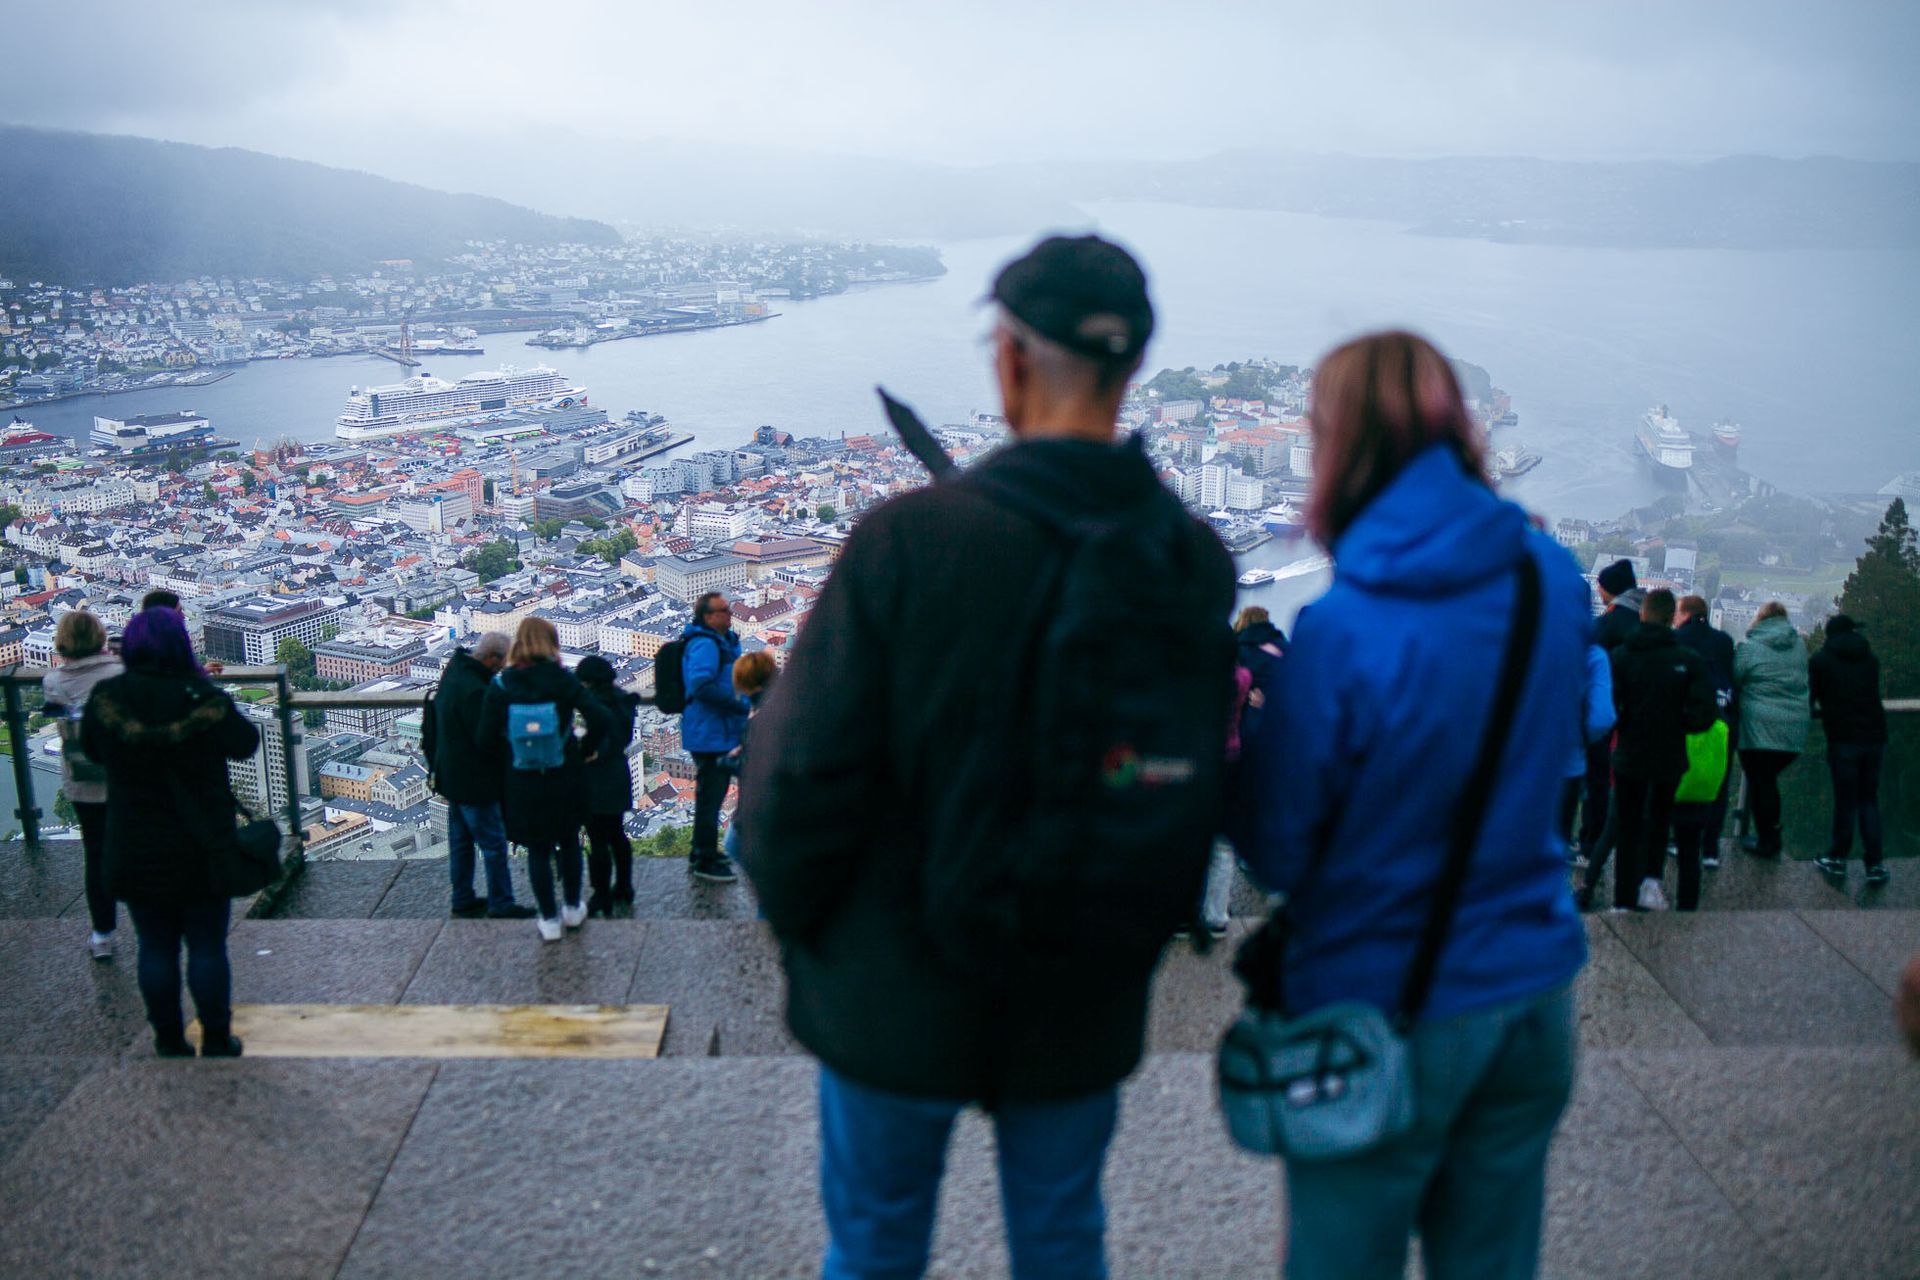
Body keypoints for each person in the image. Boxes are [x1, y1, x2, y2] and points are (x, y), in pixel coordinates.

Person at [741, 234, 1234, 1279]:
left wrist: (809, 934)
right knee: (1061, 1237)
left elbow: (795, 778)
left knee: (874, 1243)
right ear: (1133, 367)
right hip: (1084, 971)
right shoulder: (1186, 558)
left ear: (1009, 358)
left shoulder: (910, 540)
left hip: (891, 970)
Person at [1244, 330, 1588, 1280]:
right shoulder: (1550, 578)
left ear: (1335, 446)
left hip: (1382, 1000)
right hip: (1531, 988)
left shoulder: (1343, 627)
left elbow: (1281, 847)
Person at [80, 606, 258, 1058]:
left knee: (155, 946)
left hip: (135, 840)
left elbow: (91, 752)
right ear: (181, 646)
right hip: (202, 841)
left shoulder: (107, 697)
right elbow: (245, 744)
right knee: (207, 945)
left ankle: (168, 1038)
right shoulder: (201, 696)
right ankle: (216, 1037)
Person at [477, 617, 614, 941]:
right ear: (552, 641)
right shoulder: (562, 680)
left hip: (523, 780)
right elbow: (601, 717)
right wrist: (583, 749)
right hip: (564, 773)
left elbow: (484, 738)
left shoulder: (503, 685)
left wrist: (511, 753)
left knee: (538, 850)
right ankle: (572, 907)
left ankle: (549, 919)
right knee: (569, 841)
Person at [1607, 589, 1716, 912]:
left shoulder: (1622, 656)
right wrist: (1680, 724)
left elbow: (1610, 706)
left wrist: (1626, 724)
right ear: (1670, 618)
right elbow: (1704, 713)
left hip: (1630, 751)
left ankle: (1622, 899)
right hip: (1670, 752)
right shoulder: (1687, 659)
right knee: (1659, 819)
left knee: (1628, 825)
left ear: (1643, 614)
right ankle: (1651, 883)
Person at [422, 632, 534, 920]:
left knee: (460, 842)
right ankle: (501, 902)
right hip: (475, 781)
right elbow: (486, 739)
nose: (503, 668)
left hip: (450, 775)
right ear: (493, 658)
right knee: (493, 844)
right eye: (502, 662)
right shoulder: (476, 691)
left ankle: (462, 897)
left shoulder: (455, 670)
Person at [42, 610, 124, 960]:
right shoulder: (119, 673)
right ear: (99, 637)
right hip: (125, 778)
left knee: (95, 854)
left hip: (83, 780)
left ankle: (102, 934)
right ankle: (155, 922)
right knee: (139, 847)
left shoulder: (53, 682)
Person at [1809, 614, 1889, 884]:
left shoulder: (1820, 661)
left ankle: (1837, 857)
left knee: (1845, 801)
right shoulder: (1871, 660)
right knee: (1869, 800)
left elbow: (1811, 697)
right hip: (1875, 738)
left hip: (1843, 738)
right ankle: (1875, 864)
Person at [680, 591, 750, 883]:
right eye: (723, 611)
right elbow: (700, 685)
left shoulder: (721, 642)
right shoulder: (706, 644)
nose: (730, 614)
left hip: (716, 731)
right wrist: (738, 704)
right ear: (708, 617)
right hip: (709, 733)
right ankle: (705, 860)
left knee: (711, 796)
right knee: (711, 798)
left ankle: (701, 851)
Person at [1575, 558, 1642, 860]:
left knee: (1596, 779)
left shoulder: (1607, 624)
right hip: (1639, 711)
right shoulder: (1645, 618)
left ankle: (1591, 840)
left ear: (1610, 590)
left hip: (1606, 709)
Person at [1733, 601, 1810, 858]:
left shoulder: (1749, 648)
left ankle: (1767, 839)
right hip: (1795, 727)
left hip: (1758, 727)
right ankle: (1770, 834)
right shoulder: (1799, 646)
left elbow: (1735, 678)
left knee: (1760, 781)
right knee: (1767, 782)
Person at [1673, 594, 1737, 866]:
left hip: (1686, 720)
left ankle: (1678, 839)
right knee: (1718, 785)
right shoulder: (1724, 641)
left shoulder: (1678, 640)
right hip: (1721, 722)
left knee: (1680, 778)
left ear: (1686, 614)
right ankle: (1710, 848)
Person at [574, 654, 640, 917]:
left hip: (596, 777)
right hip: (618, 773)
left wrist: (585, 749)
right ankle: (624, 886)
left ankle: (600, 893)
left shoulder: (594, 706)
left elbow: (596, 742)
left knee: (597, 839)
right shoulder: (622, 700)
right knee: (617, 835)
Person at [721, 649, 778, 866]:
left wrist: (731, 762)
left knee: (732, 848)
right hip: (781, 807)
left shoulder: (760, 720)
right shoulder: (783, 706)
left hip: (758, 809)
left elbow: (759, 767)